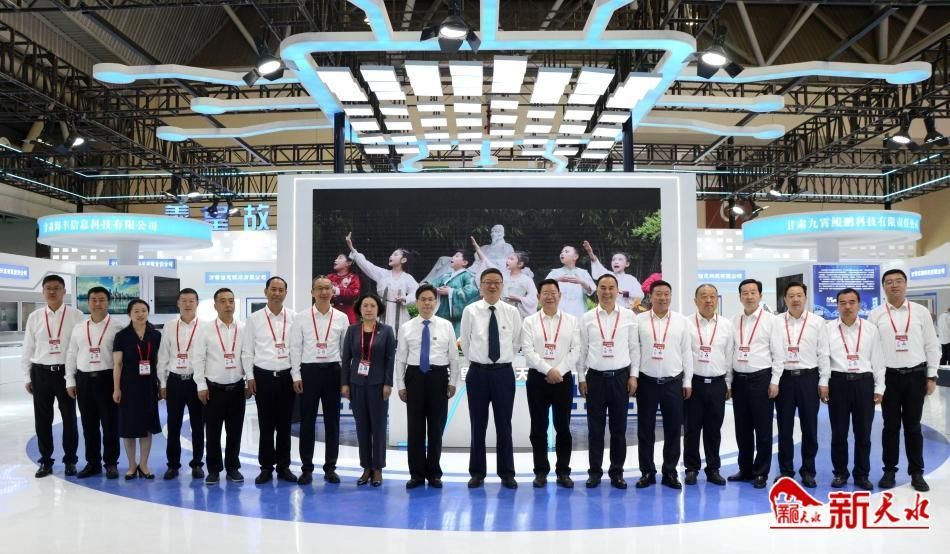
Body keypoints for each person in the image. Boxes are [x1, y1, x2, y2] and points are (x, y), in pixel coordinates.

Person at [868, 269, 941, 492]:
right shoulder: (876, 315)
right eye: (889, 282)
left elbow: (932, 345)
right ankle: (889, 471)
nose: (894, 285)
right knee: (890, 427)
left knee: (913, 426)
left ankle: (917, 472)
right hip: (889, 378)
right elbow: (871, 351)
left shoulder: (920, 312)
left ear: (906, 284)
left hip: (915, 376)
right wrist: (876, 382)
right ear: (883, 287)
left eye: (899, 281)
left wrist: (931, 375)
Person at [460, 268, 523, 489]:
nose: (493, 286)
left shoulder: (512, 312)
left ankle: (507, 473)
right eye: (488, 282)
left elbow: (516, 342)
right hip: (477, 373)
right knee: (478, 424)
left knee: (504, 424)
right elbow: (465, 342)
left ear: (503, 285)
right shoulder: (470, 311)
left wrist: (501, 361)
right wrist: (478, 361)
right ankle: (477, 472)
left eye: (497, 282)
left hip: (503, 373)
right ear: (481, 286)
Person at [395, 284, 460, 489]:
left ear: (436, 302)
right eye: (423, 299)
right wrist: (401, 385)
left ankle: (433, 473)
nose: (427, 303)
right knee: (414, 429)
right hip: (414, 377)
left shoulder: (446, 325)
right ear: (417, 302)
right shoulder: (406, 327)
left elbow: (454, 358)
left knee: (435, 428)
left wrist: (452, 382)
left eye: (430, 299)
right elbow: (400, 359)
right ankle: (416, 474)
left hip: (438, 378)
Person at [577, 274, 638, 489]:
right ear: (597, 290)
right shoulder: (587, 318)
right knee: (595, 429)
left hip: (620, 378)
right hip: (595, 379)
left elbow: (634, 348)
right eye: (603, 287)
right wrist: (581, 377)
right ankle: (594, 472)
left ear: (617, 290)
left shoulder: (628, 316)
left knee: (619, 429)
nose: (607, 292)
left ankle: (617, 472)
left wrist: (633, 375)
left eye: (611, 287)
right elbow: (582, 350)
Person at [820, 288, 885, 491]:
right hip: (838, 383)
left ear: (859, 304)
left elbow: (878, 360)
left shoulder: (870, 329)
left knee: (863, 433)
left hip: (864, 384)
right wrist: (824, 382)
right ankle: (840, 473)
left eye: (851, 302)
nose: (847, 306)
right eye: (842, 302)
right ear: (837, 305)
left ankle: (862, 474)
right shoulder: (828, 329)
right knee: (839, 433)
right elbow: (824, 358)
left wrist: (879, 387)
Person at [289, 276, 349, 485]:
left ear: (332, 291)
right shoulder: (301, 317)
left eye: (327, 288)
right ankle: (306, 468)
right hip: (309, 373)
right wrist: (296, 375)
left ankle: (330, 468)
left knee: (333, 422)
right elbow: (295, 348)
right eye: (319, 288)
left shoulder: (341, 318)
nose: (324, 292)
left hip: (333, 372)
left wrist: (345, 379)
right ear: (312, 292)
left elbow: (345, 351)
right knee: (307, 422)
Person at [632, 280, 692, 489]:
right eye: (659, 293)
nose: (663, 297)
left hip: (673, 383)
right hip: (646, 382)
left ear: (671, 296)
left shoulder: (681, 321)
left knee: (673, 430)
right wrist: (634, 377)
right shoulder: (639, 320)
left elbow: (686, 352)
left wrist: (687, 381)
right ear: (651, 296)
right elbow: (635, 351)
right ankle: (647, 472)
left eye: (667, 294)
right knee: (645, 430)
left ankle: (670, 472)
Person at [21, 274, 82, 478]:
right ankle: (45, 461)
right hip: (40, 373)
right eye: (48, 288)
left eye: (56, 288)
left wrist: (74, 376)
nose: (52, 291)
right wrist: (27, 377)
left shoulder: (76, 315)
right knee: (42, 419)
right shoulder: (35, 317)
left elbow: (79, 347)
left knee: (69, 419)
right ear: (43, 292)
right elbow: (28, 348)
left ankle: (70, 461)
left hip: (66, 373)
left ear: (64, 291)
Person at [521, 278, 580, 488]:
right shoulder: (530, 321)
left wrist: (558, 371)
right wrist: (548, 370)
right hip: (538, 379)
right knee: (538, 428)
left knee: (563, 427)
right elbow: (527, 351)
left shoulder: (571, 321)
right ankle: (541, 471)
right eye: (545, 293)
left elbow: (576, 350)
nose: (549, 296)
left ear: (559, 296)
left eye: (553, 292)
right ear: (538, 297)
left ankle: (563, 471)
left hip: (563, 379)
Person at [770, 281, 829, 488]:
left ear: (805, 297)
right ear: (785, 299)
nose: (795, 299)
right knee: (784, 427)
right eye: (791, 296)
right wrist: (774, 380)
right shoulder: (776, 322)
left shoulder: (817, 322)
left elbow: (823, 353)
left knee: (809, 427)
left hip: (808, 378)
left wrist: (824, 381)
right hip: (784, 379)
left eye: (799, 295)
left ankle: (808, 471)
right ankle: (786, 471)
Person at [242, 276, 298, 485]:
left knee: (285, 425)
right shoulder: (254, 319)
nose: (277, 293)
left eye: (281, 290)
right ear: (265, 292)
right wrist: (250, 377)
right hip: (263, 377)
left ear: (285, 293)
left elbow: (297, 349)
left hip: (286, 377)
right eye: (273, 289)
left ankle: (284, 467)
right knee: (265, 425)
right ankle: (266, 467)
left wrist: (297, 375)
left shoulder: (294, 317)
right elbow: (247, 351)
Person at [729, 278, 783, 489]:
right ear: (740, 297)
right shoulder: (734, 320)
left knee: (763, 429)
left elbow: (778, 354)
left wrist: (775, 381)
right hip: (739, 380)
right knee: (742, 428)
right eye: (745, 293)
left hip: (761, 380)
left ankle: (761, 472)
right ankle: (745, 469)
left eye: (753, 292)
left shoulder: (771, 321)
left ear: (760, 295)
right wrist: (729, 382)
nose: (749, 296)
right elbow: (730, 352)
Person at [192, 288, 250, 485]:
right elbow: (198, 359)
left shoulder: (243, 328)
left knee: (235, 431)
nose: (228, 305)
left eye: (231, 301)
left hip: (237, 389)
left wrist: (249, 380)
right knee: (213, 432)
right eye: (223, 301)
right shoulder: (205, 330)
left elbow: (247, 356)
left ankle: (233, 468)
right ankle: (214, 469)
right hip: (213, 390)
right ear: (215, 305)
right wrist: (201, 385)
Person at [66, 286, 124, 479]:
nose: (97, 303)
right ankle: (93, 463)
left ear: (108, 302)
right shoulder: (79, 327)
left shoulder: (118, 327)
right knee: (88, 425)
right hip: (84, 380)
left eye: (101, 299)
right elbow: (72, 354)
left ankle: (111, 463)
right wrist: (70, 380)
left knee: (110, 424)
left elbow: (122, 361)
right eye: (93, 300)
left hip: (107, 379)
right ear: (88, 302)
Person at [341, 293, 396, 487]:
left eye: (372, 305)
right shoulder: (352, 330)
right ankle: (366, 467)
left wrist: (388, 383)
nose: (369, 309)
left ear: (378, 309)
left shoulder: (386, 331)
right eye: (365, 305)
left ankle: (378, 468)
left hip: (378, 386)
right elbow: (346, 358)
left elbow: (390, 359)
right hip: (357, 384)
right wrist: (345, 383)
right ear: (360, 309)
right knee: (362, 427)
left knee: (378, 427)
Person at [684, 284, 733, 486]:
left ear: (717, 299)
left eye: (712, 296)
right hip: (693, 384)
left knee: (714, 429)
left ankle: (713, 468)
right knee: (692, 429)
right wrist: (686, 382)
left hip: (717, 383)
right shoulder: (686, 323)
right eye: (703, 296)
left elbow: (729, 356)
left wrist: (728, 383)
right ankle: (691, 468)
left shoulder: (726, 325)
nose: (708, 300)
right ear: (695, 300)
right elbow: (684, 355)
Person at [112, 298, 162, 480]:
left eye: (143, 310)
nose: (140, 314)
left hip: (149, 386)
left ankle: (144, 464)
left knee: (147, 426)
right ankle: (132, 465)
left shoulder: (155, 335)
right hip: (128, 386)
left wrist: (161, 384)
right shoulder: (122, 336)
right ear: (129, 314)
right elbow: (117, 364)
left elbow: (160, 363)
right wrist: (116, 388)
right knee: (129, 426)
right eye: (136, 311)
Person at [157, 288, 204, 480]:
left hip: (196, 381)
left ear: (197, 303)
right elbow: (163, 355)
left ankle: (197, 464)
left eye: (191, 300)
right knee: (173, 424)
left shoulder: (205, 326)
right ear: (178, 303)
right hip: (175, 381)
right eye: (183, 300)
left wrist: (203, 384)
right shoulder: (169, 326)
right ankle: (173, 465)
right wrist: (163, 382)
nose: (187, 304)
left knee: (198, 425)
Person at [345, 232, 417, 334]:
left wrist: (405, 299)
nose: (391, 256)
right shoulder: (383, 274)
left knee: (399, 337)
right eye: (391, 254)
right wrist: (352, 248)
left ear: (403, 260)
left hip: (400, 315)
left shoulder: (408, 278)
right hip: (383, 312)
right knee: (380, 336)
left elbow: (417, 293)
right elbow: (367, 265)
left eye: (395, 254)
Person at [471, 236, 537, 318]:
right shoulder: (502, 275)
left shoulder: (527, 280)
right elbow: (486, 261)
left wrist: (520, 299)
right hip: (501, 311)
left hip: (517, 314)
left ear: (520, 264)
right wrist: (477, 248)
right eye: (508, 258)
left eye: (511, 259)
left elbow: (533, 298)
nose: (507, 260)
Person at [425, 249, 480, 335]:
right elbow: (432, 285)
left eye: (457, 256)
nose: (453, 257)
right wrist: (436, 290)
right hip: (441, 313)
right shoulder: (445, 276)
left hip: (456, 318)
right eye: (453, 255)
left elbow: (472, 292)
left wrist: (450, 292)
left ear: (464, 262)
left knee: (455, 338)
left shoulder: (467, 276)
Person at [583, 240, 644, 310]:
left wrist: (624, 293)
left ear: (627, 264)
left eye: (620, 260)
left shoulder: (631, 279)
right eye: (613, 260)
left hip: (625, 310)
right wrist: (590, 253)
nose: (616, 262)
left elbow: (640, 295)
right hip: (607, 310)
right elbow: (597, 264)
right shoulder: (607, 275)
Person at [545, 245, 595, 320]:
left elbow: (591, 290)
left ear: (575, 256)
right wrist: (557, 280)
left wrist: (581, 282)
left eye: (566, 251)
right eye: (561, 252)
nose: (562, 253)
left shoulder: (583, 273)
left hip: (578, 312)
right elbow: (543, 288)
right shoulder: (554, 272)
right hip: (559, 312)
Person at [328, 254, 361, 324]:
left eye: (340, 258)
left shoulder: (353, 277)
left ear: (348, 263)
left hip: (348, 315)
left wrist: (337, 290)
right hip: (332, 313)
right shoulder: (329, 277)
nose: (335, 260)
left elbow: (354, 293)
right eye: (336, 258)